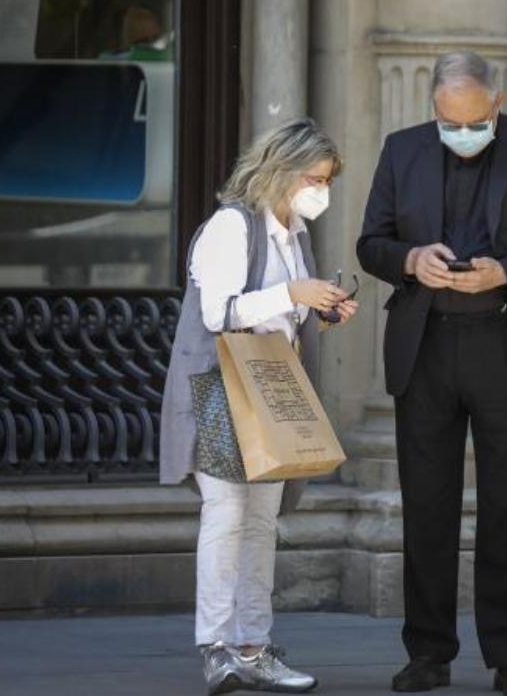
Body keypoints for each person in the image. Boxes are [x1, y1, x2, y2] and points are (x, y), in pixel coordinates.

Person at [356, 52, 507, 696]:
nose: (460, 135)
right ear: (433, 107)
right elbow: (369, 242)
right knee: (425, 507)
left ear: (497, 102)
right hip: (425, 344)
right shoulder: (401, 150)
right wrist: (409, 259)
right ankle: (428, 653)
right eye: (447, 121)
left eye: (473, 121)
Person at [159, 118, 358, 695]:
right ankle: (217, 648)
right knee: (225, 517)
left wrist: (317, 307)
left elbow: (278, 312)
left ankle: (255, 645)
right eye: (315, 179)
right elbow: (219, 312)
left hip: (274, 386)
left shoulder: (293, 234)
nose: (321, 191)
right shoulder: (230, 227)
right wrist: (293, 293)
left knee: (262, 521)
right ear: (281, 171)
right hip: (223, 388)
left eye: (326, 181)